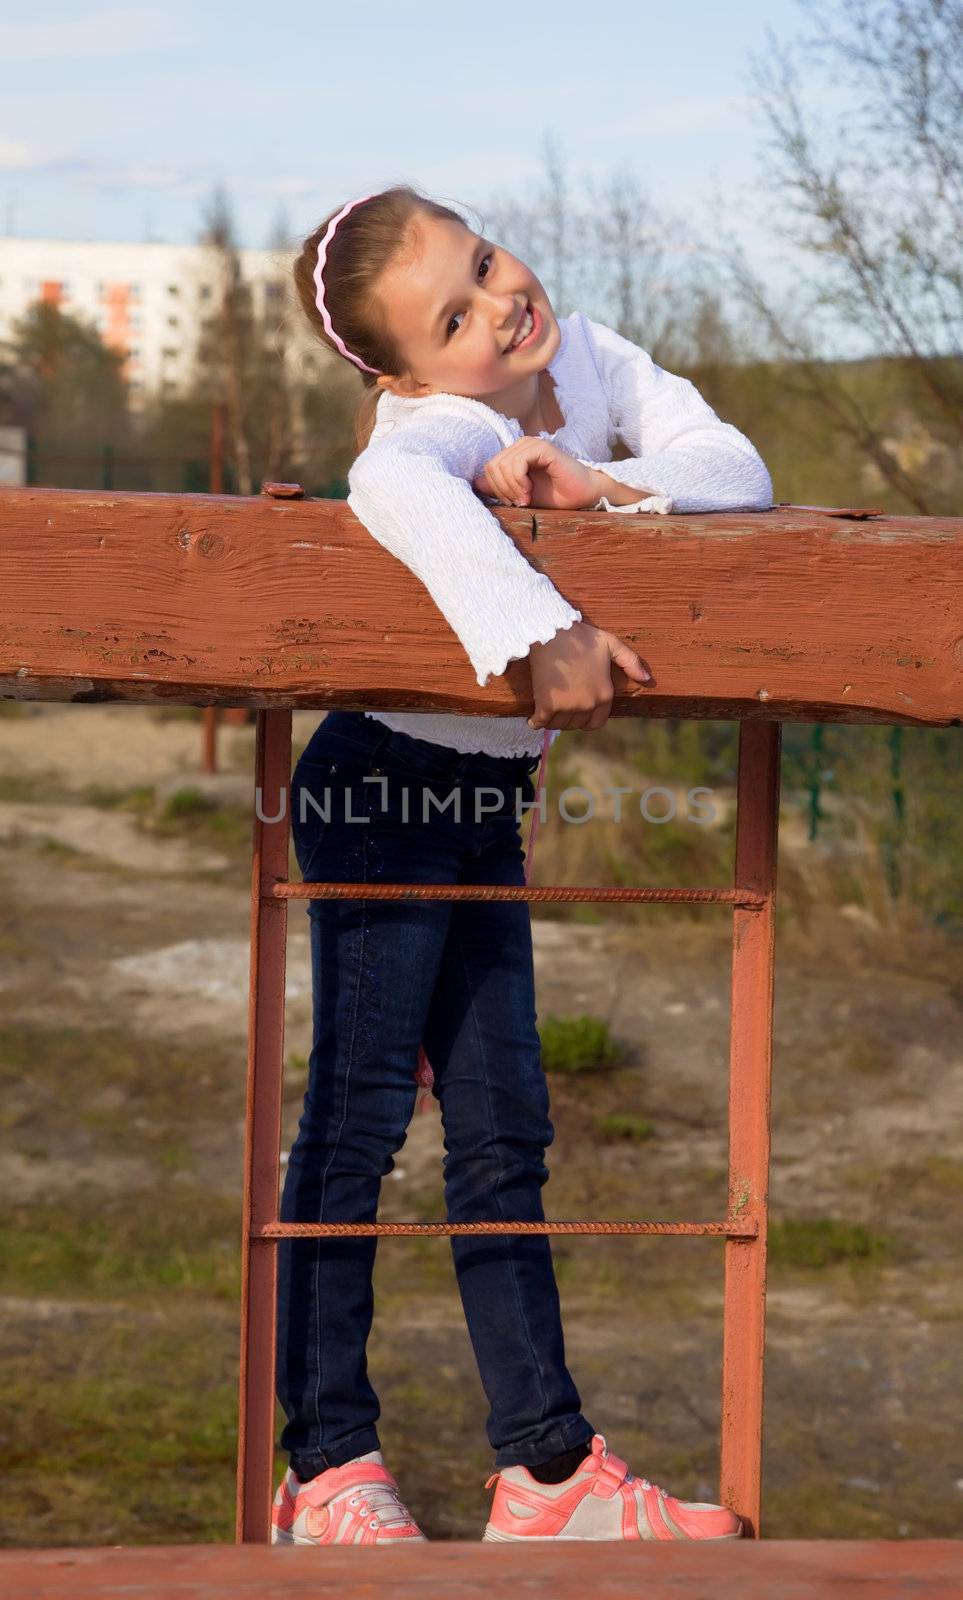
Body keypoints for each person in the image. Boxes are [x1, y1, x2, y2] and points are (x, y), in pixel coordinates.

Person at [271, 184, 772, 1547]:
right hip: (377, 788)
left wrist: (605, 488)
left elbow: (737, 473)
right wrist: (540, 627)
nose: (501, 304)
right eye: (454, 315)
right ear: (402, 369)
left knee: (506, 1133)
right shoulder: (437, 422)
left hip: (485, 794)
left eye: (485, 262)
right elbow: (387, 484)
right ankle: (324, 1468)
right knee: (361, 1122)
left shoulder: (593, 359)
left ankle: (545, 1477)